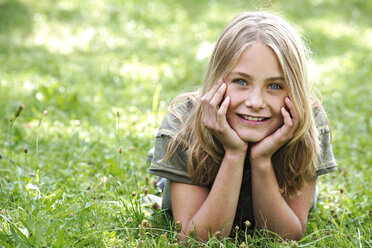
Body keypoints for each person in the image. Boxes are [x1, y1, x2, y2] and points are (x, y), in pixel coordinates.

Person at [149, 11, 337, 241]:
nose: (255, 102)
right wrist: (234, 153)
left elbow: (285, 237)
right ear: (216, 78)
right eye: (240, 81)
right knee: (170, 173)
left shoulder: (308, 124)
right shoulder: (181, 124)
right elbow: (196, 240)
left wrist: (261, 160)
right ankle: (164, 174)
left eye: (275, 86)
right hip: (200, 161)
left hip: (279, 176)